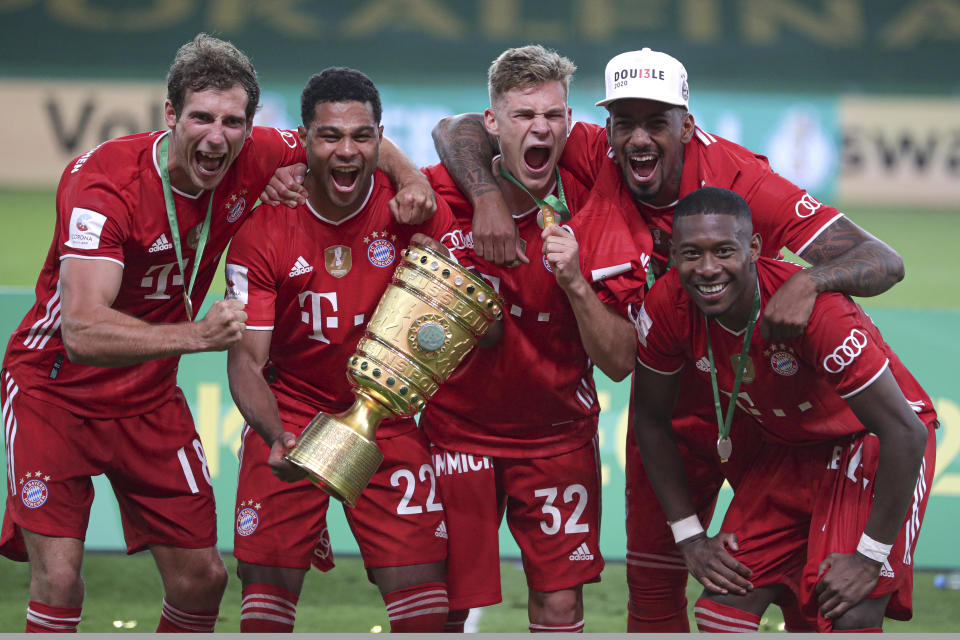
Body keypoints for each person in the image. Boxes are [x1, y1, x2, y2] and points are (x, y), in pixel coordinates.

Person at [431, 47, 906, 631]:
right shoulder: (593, 146)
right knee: (653, 587)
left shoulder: (743, 184)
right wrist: (484, 198)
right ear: (606, 126)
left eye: (656, 121)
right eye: (624, 121)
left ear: (687, 123)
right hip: (664, 401)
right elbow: (454, 128)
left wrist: (810, 280)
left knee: (800, 594)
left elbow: (881, 259)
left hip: (754, 410)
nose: (637, 139)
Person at [0, 34, 433, 634]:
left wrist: (410, 176)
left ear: (251, 127)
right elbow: (80, 329)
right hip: (56, 393)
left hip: (147, 399)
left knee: (203, 580)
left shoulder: (259, 153)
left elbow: (357, 139)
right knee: (61, 577)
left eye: (233, 122)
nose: (216, 136)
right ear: (170, 114)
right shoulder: (103, 183)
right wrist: (198, 336)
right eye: (200, 117)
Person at [417, 45, 650, 633]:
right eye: (523, 116)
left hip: (557, 439)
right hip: (455, 433)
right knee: (447, 601)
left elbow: (622, 361)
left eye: (553, 115)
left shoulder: (595, 200)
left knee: (560, 603)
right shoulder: (442, 194)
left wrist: (574, 283)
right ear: (493, 124)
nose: (540, 128)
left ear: (570, 123)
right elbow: (448, 129)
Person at [631, 186, 937, 632]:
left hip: (870, 439)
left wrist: (871, 558)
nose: (708, 269)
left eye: (724, 251)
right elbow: (651, 419)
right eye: (692, 254)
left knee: (847, 608)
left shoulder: (820, 315)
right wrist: (691, 537)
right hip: (792, 444)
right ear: (673, 254)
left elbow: (906, 432)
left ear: (754, 248)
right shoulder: (666, 306)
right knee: (722, 604)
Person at [225, 66, 461, 634]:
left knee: (426, 611)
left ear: (381, 140)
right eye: (330, 136)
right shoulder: (262, 231)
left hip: (387, 415)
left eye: (362, 136)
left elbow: (454, 322)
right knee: (264, 609)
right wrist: (275, 436)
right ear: (303, 141)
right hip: (294, 412)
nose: (347, 150)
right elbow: (245, 364)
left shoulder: (412, 210)